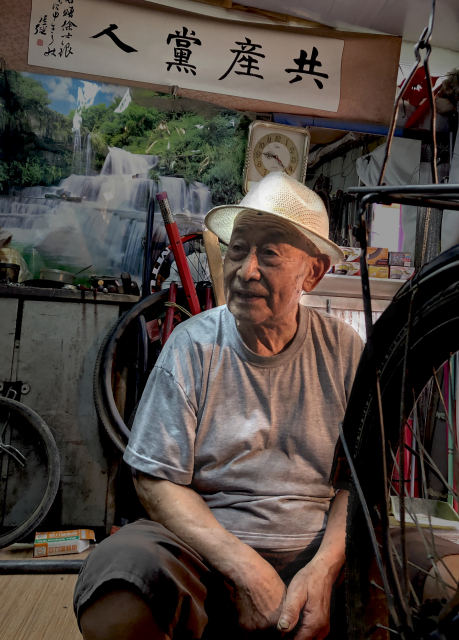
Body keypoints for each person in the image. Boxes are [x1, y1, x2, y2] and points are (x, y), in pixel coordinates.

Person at [73, 172, 458, 640]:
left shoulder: (344, 349)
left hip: (324, 551)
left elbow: (356, 484)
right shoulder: (192, 346)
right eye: (238, 249)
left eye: (270, 253)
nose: (246, 270)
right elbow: (154, 480)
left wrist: (325, 569)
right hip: (208, 554)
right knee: (119, 581)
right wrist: (242, 567)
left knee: (448, 572)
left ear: (313, 273)